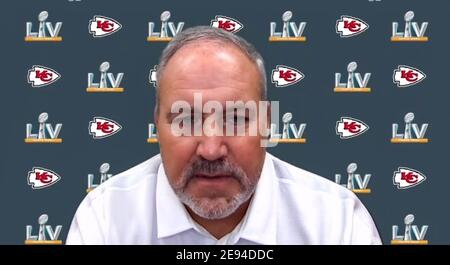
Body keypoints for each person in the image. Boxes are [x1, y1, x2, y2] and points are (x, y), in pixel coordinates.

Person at [66, 26, 381, 245]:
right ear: (157, 127)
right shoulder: (106, 220)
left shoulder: (336, 223)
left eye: (235, 118)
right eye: (187, 119)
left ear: (266, 125)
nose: (212, 149)